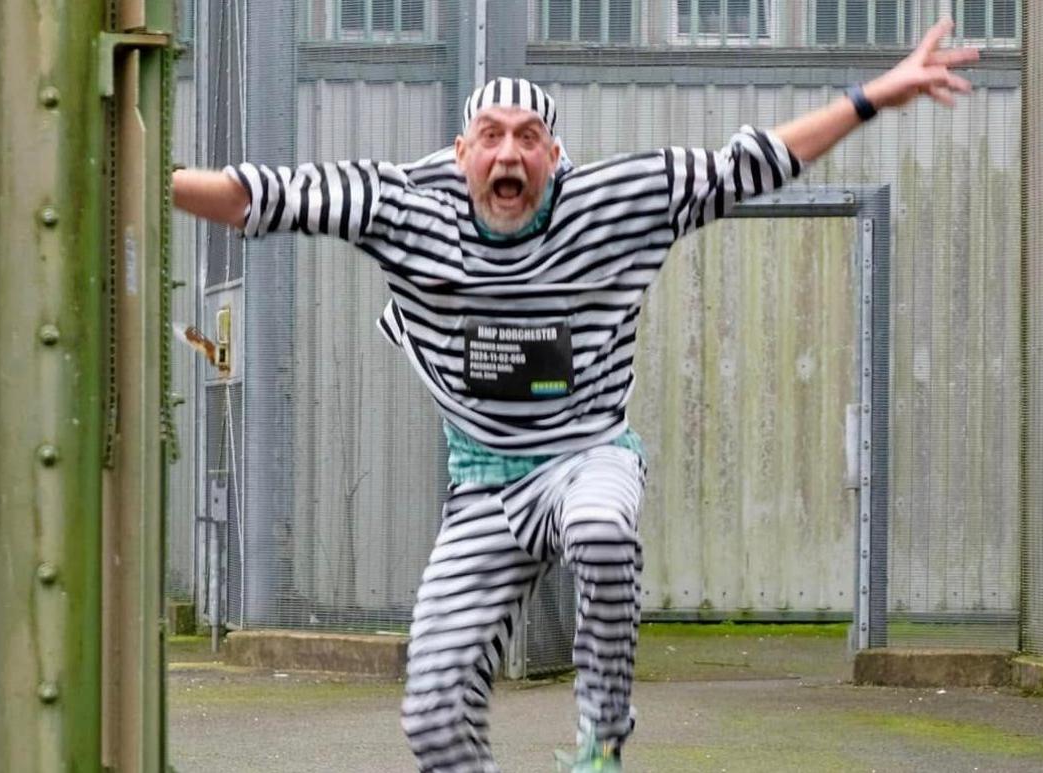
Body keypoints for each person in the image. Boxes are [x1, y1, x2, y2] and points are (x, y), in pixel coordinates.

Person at [173, 19, 977, 773]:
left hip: (588, 451)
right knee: (431, 713)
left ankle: (601, 737)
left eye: (528, 140)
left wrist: (878, 93)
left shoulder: (617, 202)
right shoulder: (403, 206)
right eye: (491, 139)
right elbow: (258, 197)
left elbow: (752, 163)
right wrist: (152, 177)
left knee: (599, 527)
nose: (509, 155)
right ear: (461, 155)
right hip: (483, 483)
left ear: (555, 155)